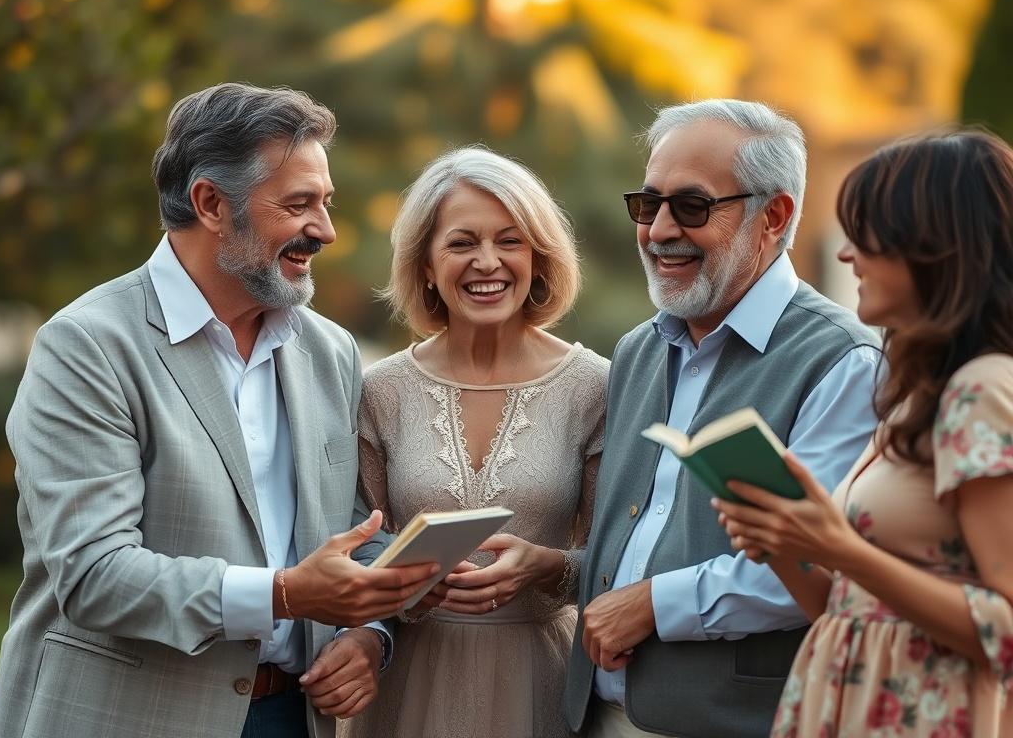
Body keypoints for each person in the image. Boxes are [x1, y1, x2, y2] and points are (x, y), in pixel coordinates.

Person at [0, 83, 439, 738]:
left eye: (326, 202)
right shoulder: (86, 346)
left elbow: (349, 527)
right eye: (299, 204)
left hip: (290, 715)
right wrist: (284, 594)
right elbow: (94, 575)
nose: (326, 230)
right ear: (211, 204)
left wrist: (370, 635)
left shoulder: (331, 351)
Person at [564, 98, 882, 738]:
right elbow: (641, 535)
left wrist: (656, 605)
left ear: (774, 216)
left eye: (691, 206)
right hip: (596, 717)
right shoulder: (637, 350)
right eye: (648, 205)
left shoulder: (843, 362)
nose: (657, 231)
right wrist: (558, 568)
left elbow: (819, 566)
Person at [713, 128, 1013, 736]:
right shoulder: (910, 399)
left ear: (934, 246)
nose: (846, 255)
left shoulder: (982, 391)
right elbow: (851, 608)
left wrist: (839, 547)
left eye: (867, 233)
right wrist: (784, 547)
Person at [339, 146, 608, 738]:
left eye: (510, 241)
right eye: (462, 243)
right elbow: (362, 540)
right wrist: (404, 585)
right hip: (406, 683)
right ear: (427, 265)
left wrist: (550, 568)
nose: (488, 262)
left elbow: (620, 559)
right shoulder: (379, 390)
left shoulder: (597, 387)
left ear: (539, 259)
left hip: (542, 681)